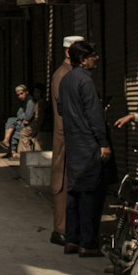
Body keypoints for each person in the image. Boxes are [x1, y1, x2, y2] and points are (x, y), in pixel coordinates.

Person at [57, 40, 111, 257]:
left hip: (73, 142)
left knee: (74, 192)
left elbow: (62, 109)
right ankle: (88, 243)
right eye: (92, 55)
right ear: (83, 59)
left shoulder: (66, 80)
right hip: (88, 143)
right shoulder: (85, 81)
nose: (96, 58)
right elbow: (94, 115)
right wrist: (104, 143)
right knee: (90, 193)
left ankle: (72, 239)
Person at [49, 35, 82, 246]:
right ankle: (62, 229)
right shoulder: (63, 75)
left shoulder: (73, 74)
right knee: (62, 181)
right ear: (69, 52)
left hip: (73, 134)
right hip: (66, 135)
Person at [0, 83, 36, 159]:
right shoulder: (23, 102)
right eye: (18, 95)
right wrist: (22, 116)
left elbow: (28, 116)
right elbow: (19, 113)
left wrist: (23, 117)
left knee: (11, 121)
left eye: (21, 94)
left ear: (26, 92)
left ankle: (7, 142)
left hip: (30, 125)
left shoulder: (30, 101)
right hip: (24, 123)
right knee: (12, 129)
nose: (20, 96)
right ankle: (11, 151)